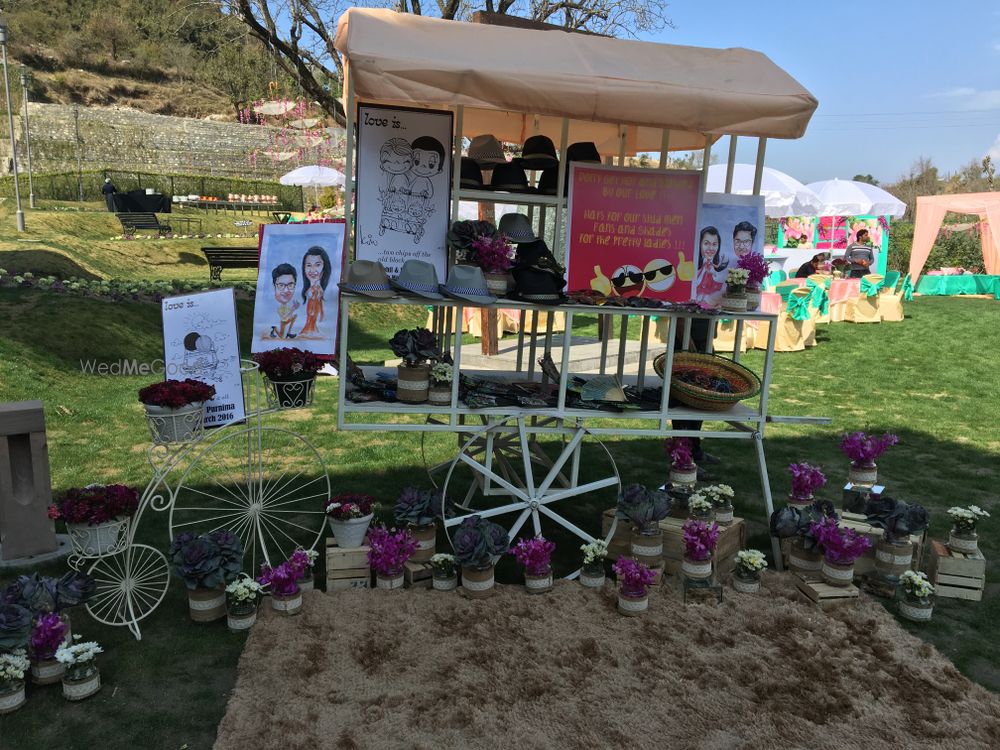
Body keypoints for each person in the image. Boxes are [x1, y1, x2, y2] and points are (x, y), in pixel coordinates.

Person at [298, 246, 332, 337]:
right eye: (308, 265)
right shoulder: (308, 290)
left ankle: (312, 328)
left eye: (317, 265)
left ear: (325, 267)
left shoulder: (319, 290)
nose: (313, 270)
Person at [693, 226, 727, 305]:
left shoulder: (721, 270)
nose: (710, 248)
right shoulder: (693, 266)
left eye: (714, 244)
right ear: (699, 244)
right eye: (706, 243)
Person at [269, 263, 299, 340]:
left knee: (294, 317)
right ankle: (274, 329)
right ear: (274, 286)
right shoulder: (274, 306)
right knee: (282, 336)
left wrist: (293, 309)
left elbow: (289, 315)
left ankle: (289, 332)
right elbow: (284, 318)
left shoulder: (286, 304)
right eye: (281, 285)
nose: (286, 290)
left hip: (285, 320)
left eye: (290, 285)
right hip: (283, 321)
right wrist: (293, 309)